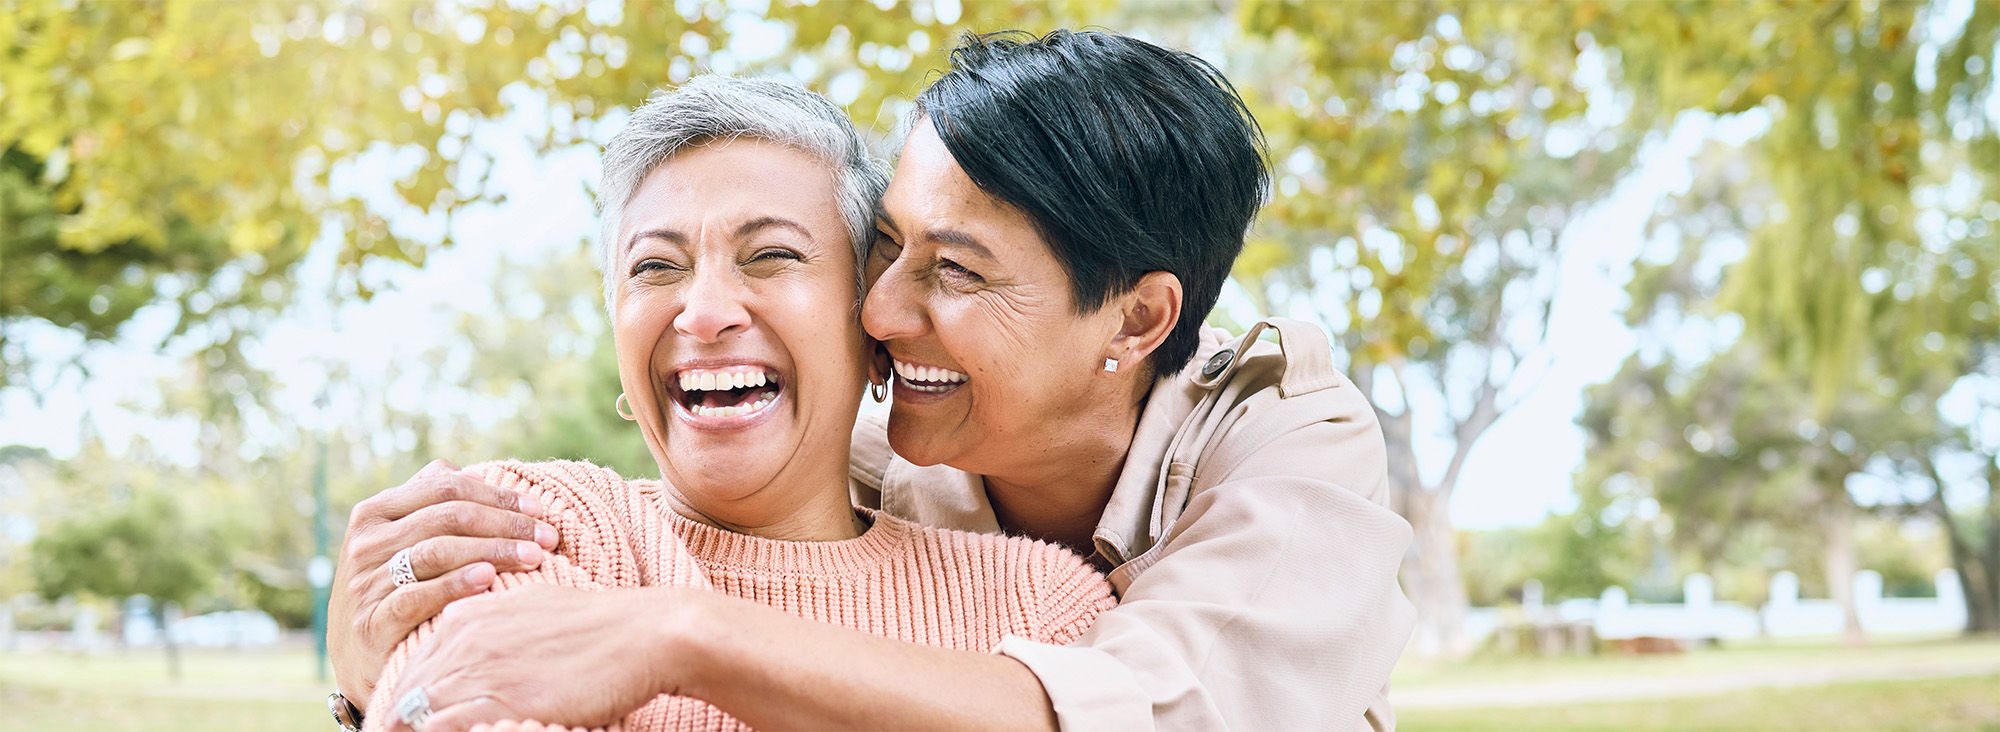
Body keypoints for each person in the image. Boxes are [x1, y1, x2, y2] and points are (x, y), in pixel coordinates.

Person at [333, 30, 1415, 732]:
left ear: (1134, 319)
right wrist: (366, 676)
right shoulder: (838, 442)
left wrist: (680, 637)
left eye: (954, 271)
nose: (882, 313)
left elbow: (1148, 713)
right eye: (887, 250)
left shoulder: (1284, 447)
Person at [340, 75, 1114, 732]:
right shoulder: (536, 529)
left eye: (771, 255)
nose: (704, 313)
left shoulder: (1039, 603)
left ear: (873, 325)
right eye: (655, 267)